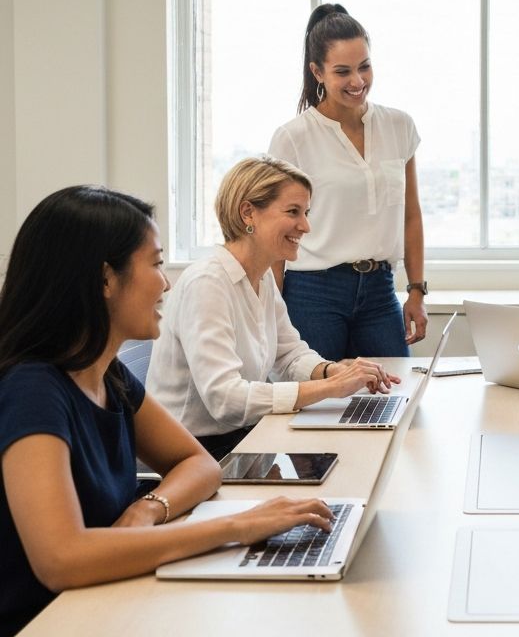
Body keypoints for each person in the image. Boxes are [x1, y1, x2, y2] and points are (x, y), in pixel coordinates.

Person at [0, 186, 335, 637]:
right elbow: (61, 558)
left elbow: (198, 464)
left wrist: (148, 509)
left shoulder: (107, 373)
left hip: (104, 602)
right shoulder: (33, 389)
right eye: (156, 264)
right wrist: (238, 527)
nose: (167, 283)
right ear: (105, 280)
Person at [148, 156, 399, 461]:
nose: (305, 226)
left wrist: (331, 370)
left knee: (360, 454)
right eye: (293, 212)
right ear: (248, 213)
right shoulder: (207, 283)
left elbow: (289, 353)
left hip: (240, 436)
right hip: (196, 452)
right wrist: (330, 387)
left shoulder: (262, 275)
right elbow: (225, 399)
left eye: (306, 213)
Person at [269, 3, 426, 359]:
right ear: (317, 71)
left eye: (364, 67)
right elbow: (278, 228)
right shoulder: (293, 138)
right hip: (312, 291)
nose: (358, 82)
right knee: (313, 405)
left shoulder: (399, 126)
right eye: (343, 71)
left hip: (379, 289)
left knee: (395, 397)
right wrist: (272, 311)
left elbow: (411, 216)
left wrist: (416, 291)